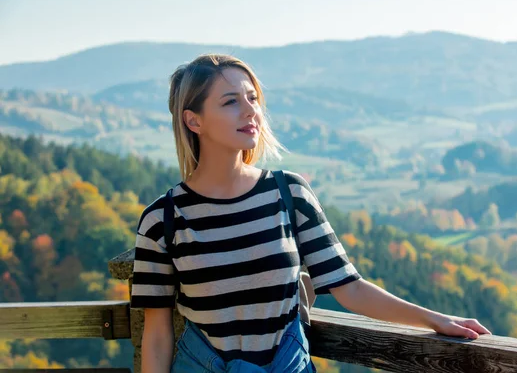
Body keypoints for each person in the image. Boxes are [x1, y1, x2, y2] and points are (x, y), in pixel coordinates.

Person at [130, 54, 491, 373]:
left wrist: (437, 320)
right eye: (230, 102)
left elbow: (349, 288)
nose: (250, 110)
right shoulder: (163, 221)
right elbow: (158, 333)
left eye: (252, 98)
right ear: (194, 121)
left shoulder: (289, 194)